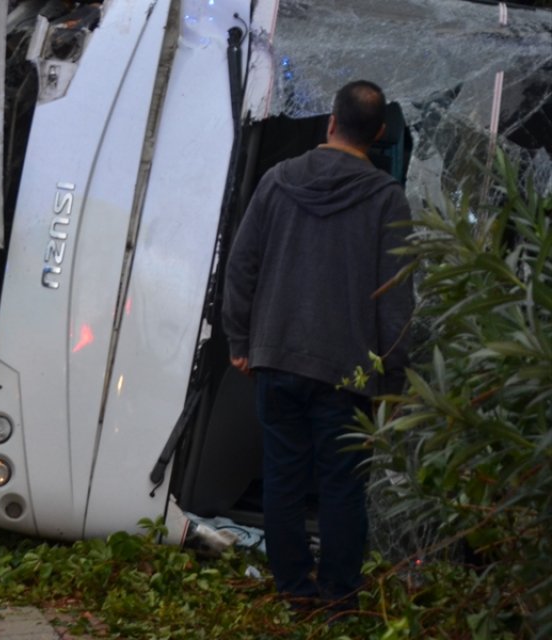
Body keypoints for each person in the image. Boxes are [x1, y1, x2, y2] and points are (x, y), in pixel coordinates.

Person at [222, 80, 413, 609]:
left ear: (330, 121)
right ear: (378, 134)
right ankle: (339, 595)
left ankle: (293, 590)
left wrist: (242, 340)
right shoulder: (387, 200)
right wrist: (391, 382)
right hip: (347, 373)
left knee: (283, 477)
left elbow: (242, 267)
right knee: (342, 487)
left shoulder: (279, 180)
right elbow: (397, 301)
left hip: (278, 356)